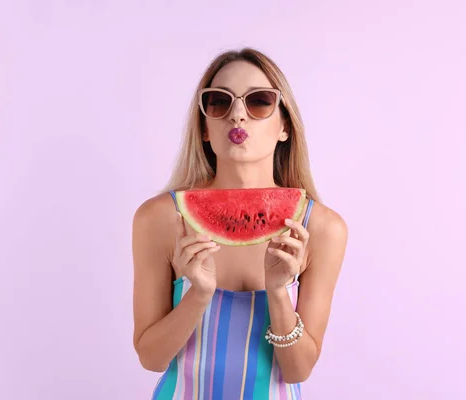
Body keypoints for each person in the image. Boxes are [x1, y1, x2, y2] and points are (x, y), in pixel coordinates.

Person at [132, 47, 348, 399]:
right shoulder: (159, 218)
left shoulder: (321, 228)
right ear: (204, 128)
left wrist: (278, 292)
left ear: (284, 127)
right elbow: (151, 358)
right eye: (218, 102)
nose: (237, 116)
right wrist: (198, 294)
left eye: (259, 102)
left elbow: (298, 369)